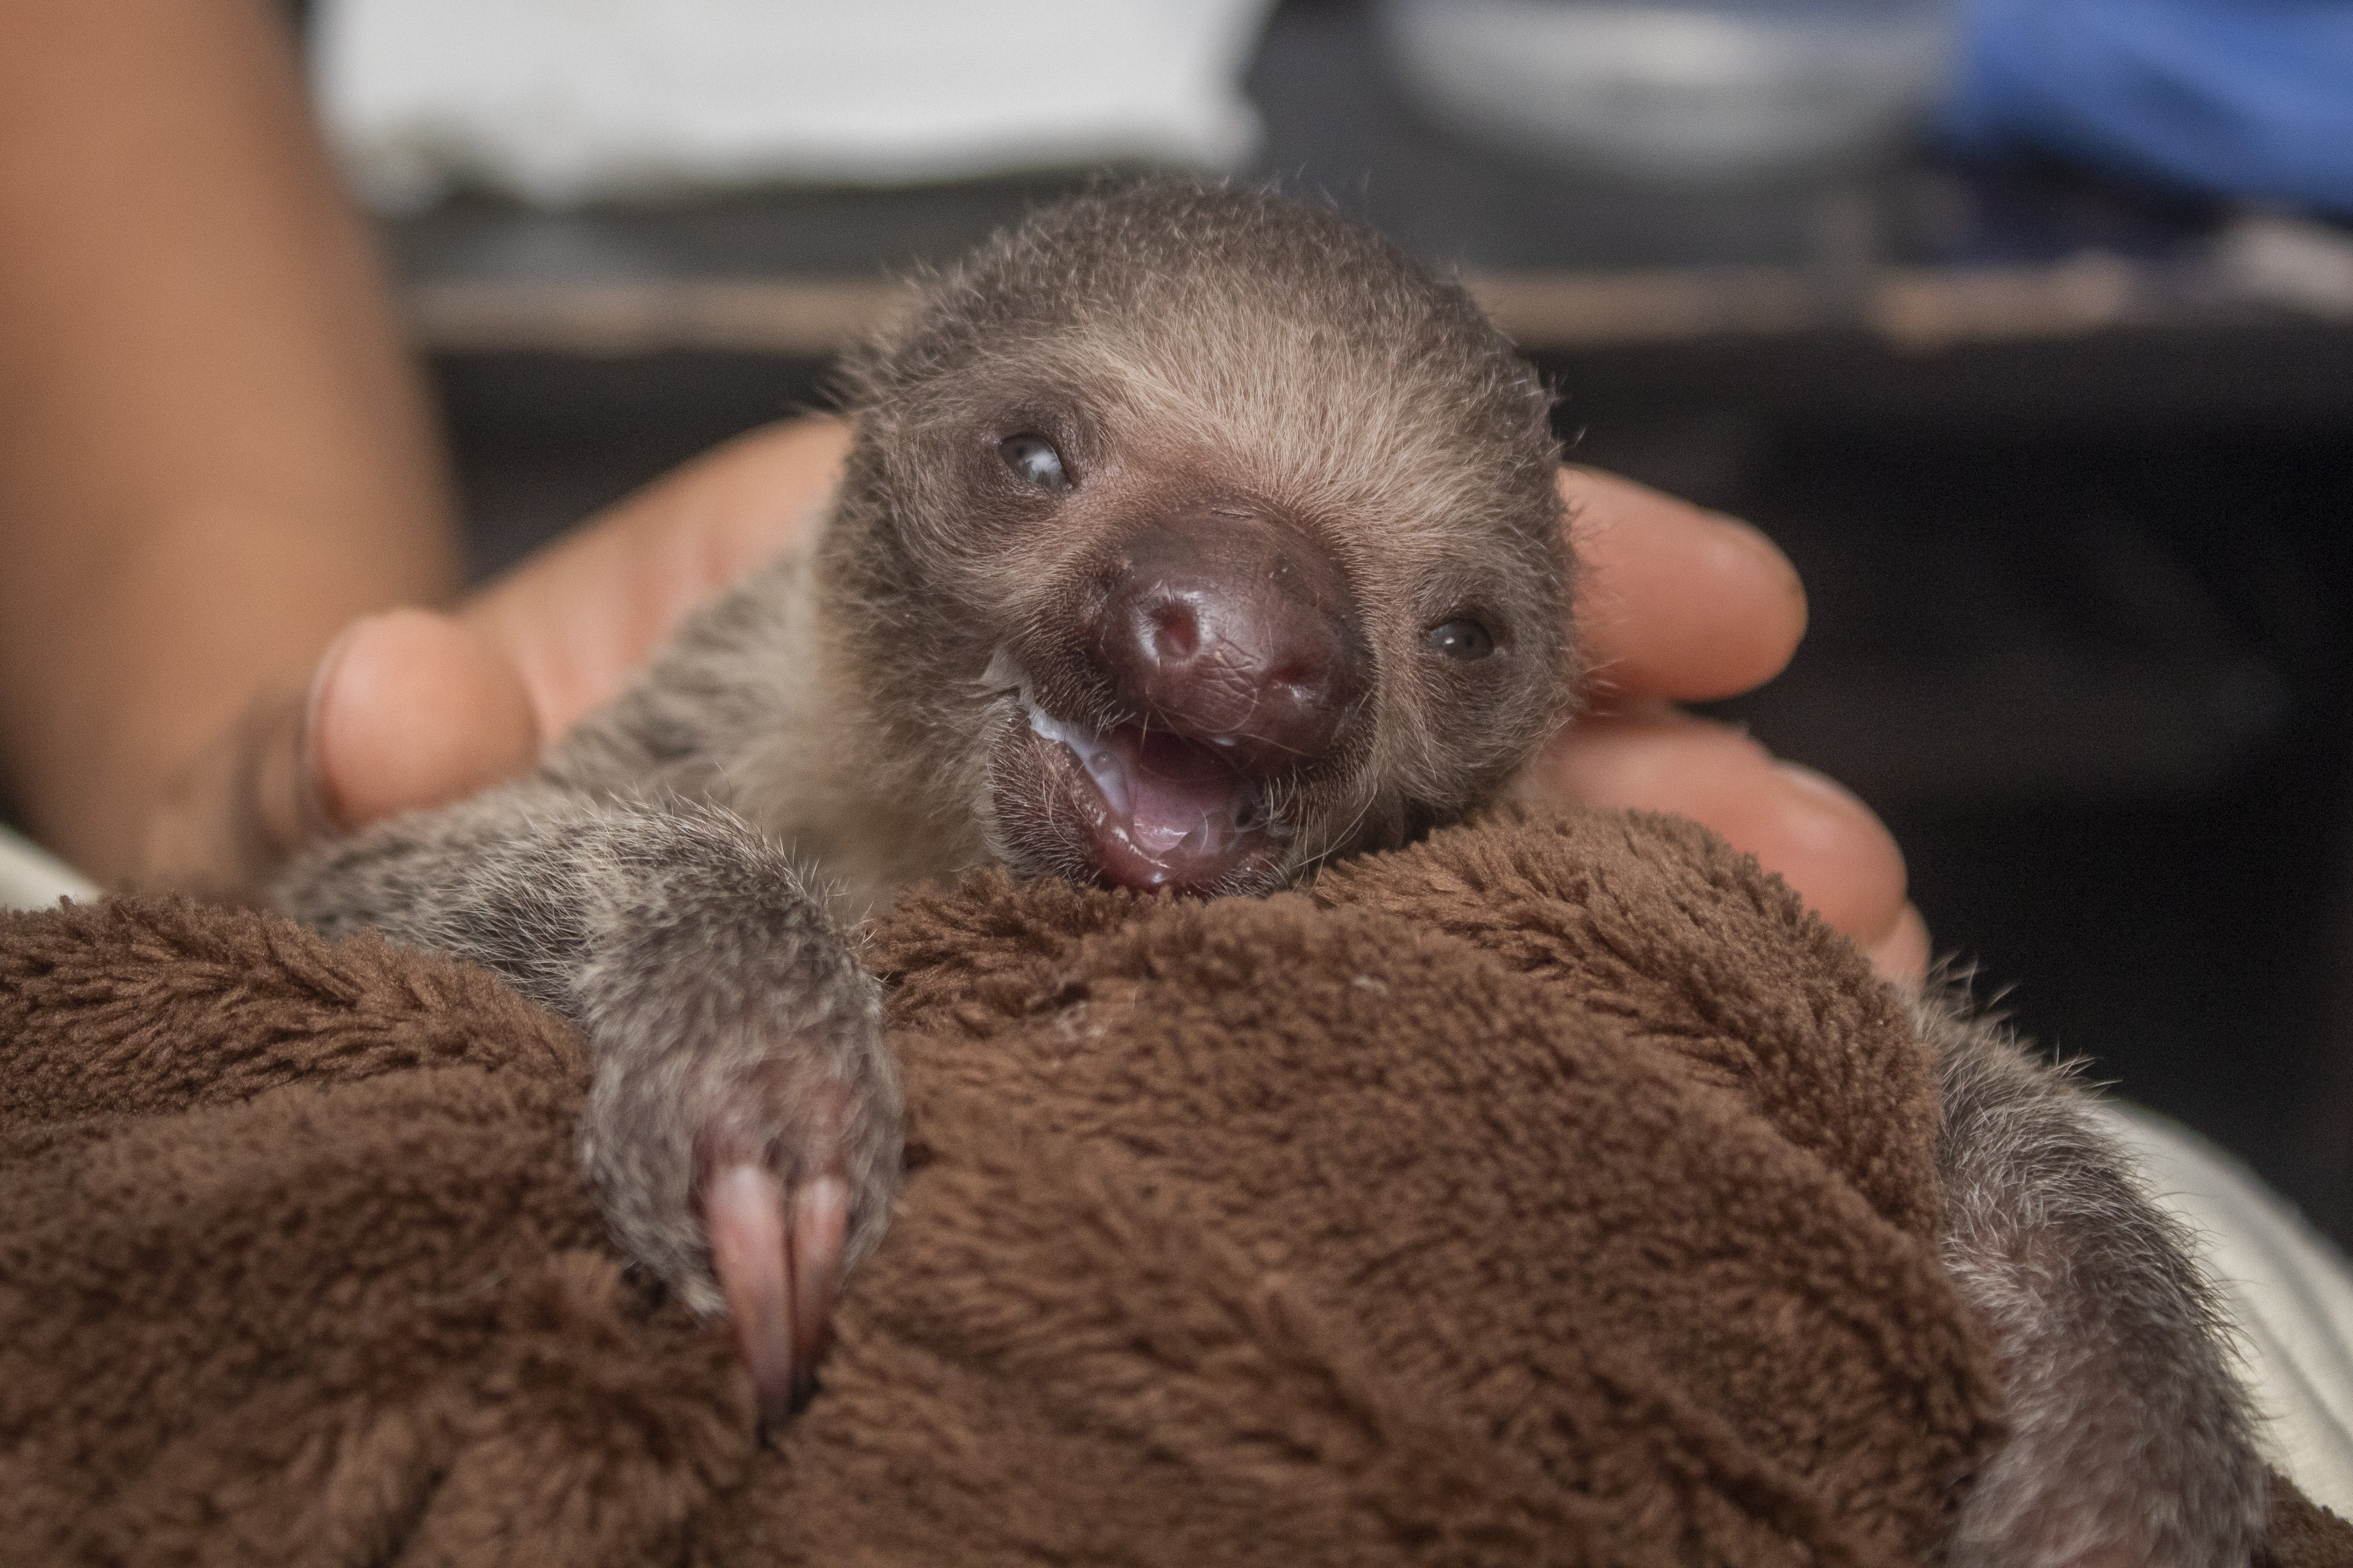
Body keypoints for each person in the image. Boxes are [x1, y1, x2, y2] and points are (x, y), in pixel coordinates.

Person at [0, 0, 1922, 977]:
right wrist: (229, 778)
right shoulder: (715, 763)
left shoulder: (1498, 852)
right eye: (1033, 465)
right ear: (878, 420)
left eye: (1462, 633)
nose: (1238, 648)